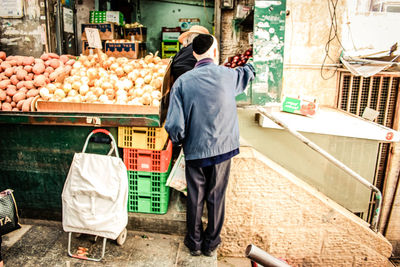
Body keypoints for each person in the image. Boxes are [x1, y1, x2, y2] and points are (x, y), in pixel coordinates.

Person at [165, 34, 255, 257]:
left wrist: (180, 142)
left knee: (195, 197)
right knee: (216, 197)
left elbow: (174, 124)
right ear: (215, 53)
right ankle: (211, 243)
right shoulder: (228, 76)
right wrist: (252, 63)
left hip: (195, 150)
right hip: (223, 149)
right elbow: (247, 73)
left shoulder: (183, 82)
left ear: (194, 54)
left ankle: (194, 243)